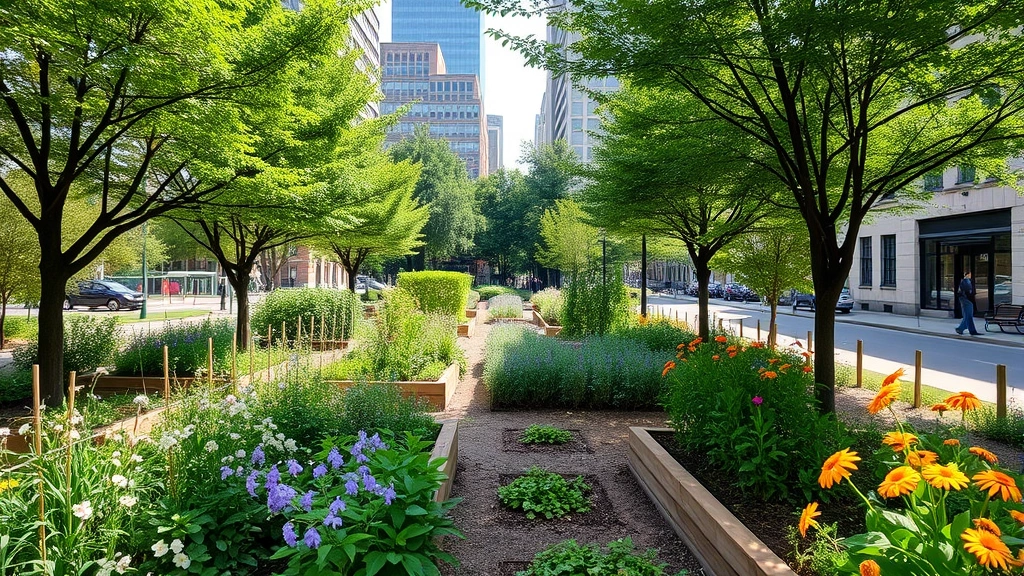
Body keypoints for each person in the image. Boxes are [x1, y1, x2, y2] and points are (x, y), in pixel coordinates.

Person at [955, 271, 981, 336]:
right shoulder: (966, 281)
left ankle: (968, 329)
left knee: (968, 315)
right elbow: (968, 292)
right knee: (968, 315)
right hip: (966, 300)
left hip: (965, 299)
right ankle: (962, 328)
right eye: (970, 274)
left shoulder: (965, 281)